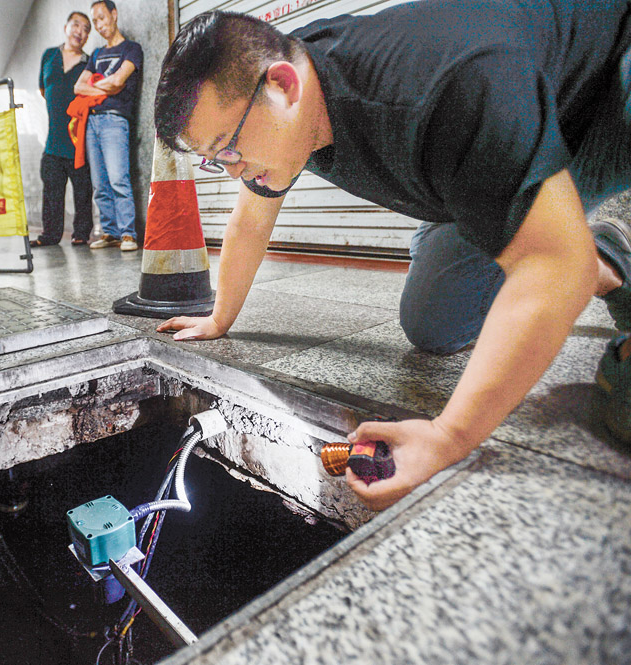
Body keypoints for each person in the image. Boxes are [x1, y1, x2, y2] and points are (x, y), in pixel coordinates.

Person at [152, 3, 631, 510]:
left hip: (600, 102)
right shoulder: (288, 94)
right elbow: (251, 218)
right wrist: (220, 317)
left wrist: (449, 436)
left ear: (283, 86)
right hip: (495, 154)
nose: (230, 170)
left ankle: (578, 241)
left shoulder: (445, 87)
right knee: (435, 323)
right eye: (212, 158)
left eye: (228, 147)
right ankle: (598, 253)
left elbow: (552, 268)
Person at [74, 0, 143, 252]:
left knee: (118, 179)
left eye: (102, 18)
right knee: (99, 183)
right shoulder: (96, 54)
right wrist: (107, 83)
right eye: (95, 21)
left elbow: (119, 80)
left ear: (114, 15)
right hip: (92, 121)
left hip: (115, 119)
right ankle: (110, 231)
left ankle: (128, 234)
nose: (99, 25)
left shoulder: (131, 49)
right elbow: (78, 87)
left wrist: (97, 84)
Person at [33, 11, 95, 248]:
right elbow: (42, 89)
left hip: (78, 140)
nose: (80, 31)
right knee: (51, 190)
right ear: (66, 27)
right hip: (53, 140)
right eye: (76, 25)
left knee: (82, 191)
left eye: (86, 29)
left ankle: (81, 234)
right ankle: (49, 235)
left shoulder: (88, 63)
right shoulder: (49, 55)